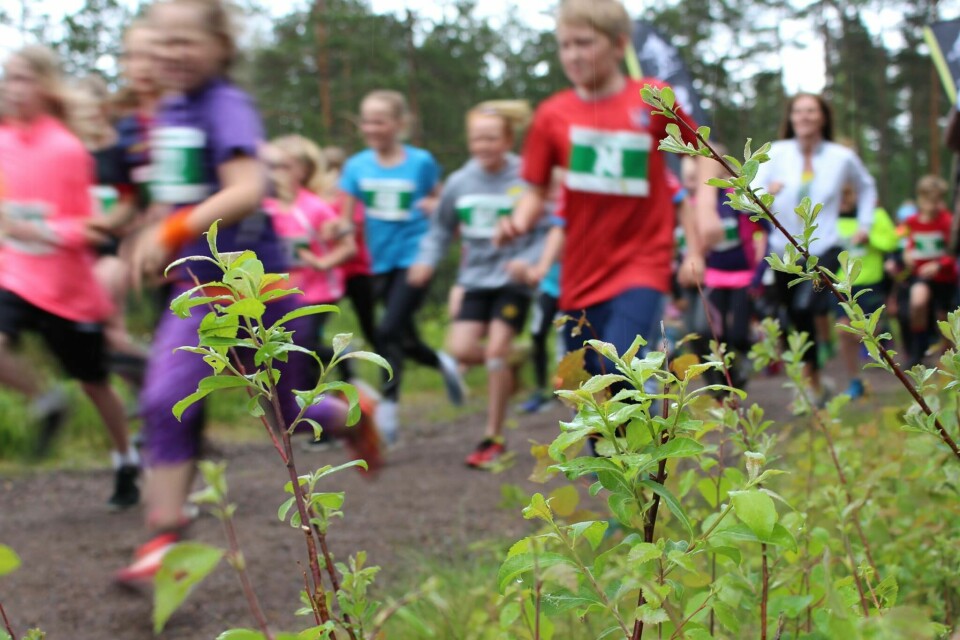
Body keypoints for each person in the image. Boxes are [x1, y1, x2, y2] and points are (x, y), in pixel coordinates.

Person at [117, 0, 373, 583]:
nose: (173, 53)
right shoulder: (171, 110)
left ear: (221, 46)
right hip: (196, 286)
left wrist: (170, 232)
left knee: (288, 413)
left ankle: (355, 415)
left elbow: (246, 188)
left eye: (187, 41)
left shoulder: (224, 104)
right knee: (166, 399)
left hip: (251, 286)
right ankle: (163, 537)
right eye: (164, 41)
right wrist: (145, 242)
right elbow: (177, 195)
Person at [496, 0, 715, 385]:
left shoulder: (652, 96)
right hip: (580, 272)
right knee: (585, 385)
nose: (573, 55)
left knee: (618, 368)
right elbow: (534, 192)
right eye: (565, 45)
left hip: (643, 262)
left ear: (619, 45)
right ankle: (639, 417)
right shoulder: (552, 115)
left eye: (584, 43)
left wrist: (707, 212)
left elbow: (706, 154)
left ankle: (653, 407)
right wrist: (515, 222)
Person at [0, 45, 140, 509]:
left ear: (45, 85)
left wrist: (43, 230)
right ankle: (46, 401)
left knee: (94, 383)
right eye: (9, 77)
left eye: (23, 78)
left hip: (66, 288)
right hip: (15, 274)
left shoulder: (66, 149)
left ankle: (126, 460)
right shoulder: (3, 140)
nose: (13, 88)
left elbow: (90, 228)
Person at [408, 101, 538, 468]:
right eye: (477, 139)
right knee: (461, 350)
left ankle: (493, 437)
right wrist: (425, 260)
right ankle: (510, 363)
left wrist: (529, 262)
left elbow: (546, 228)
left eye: (491, 138)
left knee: (494, 352)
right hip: (475, 279)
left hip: (512, 280)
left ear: (508, 139)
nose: (484, 146)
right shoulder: (459, 182)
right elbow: (440, 230)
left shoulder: (526, 178)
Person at [335, 90, 465, 445]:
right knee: (404, 338)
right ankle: (442, 363)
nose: (370, 128)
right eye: (366, 121)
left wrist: (435, 205)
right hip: (380, 260)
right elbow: (345, 218)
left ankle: (387, 413)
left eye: (379, 121)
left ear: (399, 123)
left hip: (416, 256)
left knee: (388, 329)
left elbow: (445, 204)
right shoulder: (356, 166)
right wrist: (337, 229)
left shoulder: (421, 162)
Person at [753, 93, 877, 406]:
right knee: (791, 316)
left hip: (825, 246)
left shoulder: (840, 157)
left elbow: (866, 187)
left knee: (804, 308)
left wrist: (864, 224)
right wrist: (766, 192)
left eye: (811, 110)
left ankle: (814, 378)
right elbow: (750, 188)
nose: (804, 116)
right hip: (783, 250)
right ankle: (816, 382)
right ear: (791, 117)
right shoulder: (775, 152)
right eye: (798, 111)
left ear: (822, 117)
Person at [692, 158, 770, 392]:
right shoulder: (698, 203)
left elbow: (764, 233)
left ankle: (754, 346)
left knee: (737, 335)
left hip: (743, 278)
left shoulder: (737, 199)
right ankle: (729, 380)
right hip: (714, 277)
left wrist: (759, 274)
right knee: (712, 333)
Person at [834, 182, 898, 398]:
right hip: (843, 284)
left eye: (848, 194)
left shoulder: (875, 215)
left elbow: (891, 242)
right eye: (840, 194)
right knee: (843, 331)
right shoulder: (830, 218)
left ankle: (883, 354)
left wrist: (870, 238)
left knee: (867, 332)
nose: (844, 199)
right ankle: (855, 380)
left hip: (871, 281)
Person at [894, 175, 957, 368]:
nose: (933, 205)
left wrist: (938, 265)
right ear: (920, 198)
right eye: (929, 200)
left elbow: (953, 251)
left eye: (937, 200)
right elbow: (906, 242)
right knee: (918, 301)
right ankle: (917, 350)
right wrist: (906, 254)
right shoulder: (911, 222)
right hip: (921, 274)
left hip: (944, 277)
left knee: (944, 316)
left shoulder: (948, 221)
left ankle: (948, 356)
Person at [319, 146, 377, 350]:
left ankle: (386, 361)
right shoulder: (318, 196)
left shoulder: (349, 196)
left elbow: (356, 224)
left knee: (368, 324)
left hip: (354, 268)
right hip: (332, 270)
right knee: (316, 320)